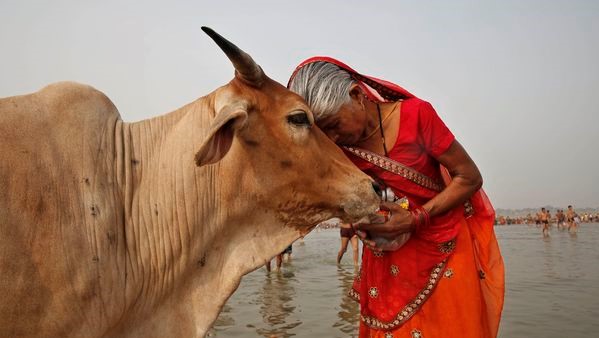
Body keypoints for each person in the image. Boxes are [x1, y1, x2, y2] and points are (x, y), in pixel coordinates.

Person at [288, 57, 504, 338]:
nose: (332, 138)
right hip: (387, 254)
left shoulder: (417, 116)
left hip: (445, 243)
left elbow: (470, 177)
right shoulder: (339, 150)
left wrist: (415, 219)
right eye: (323, 133)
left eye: (334, 125)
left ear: (357, 95)